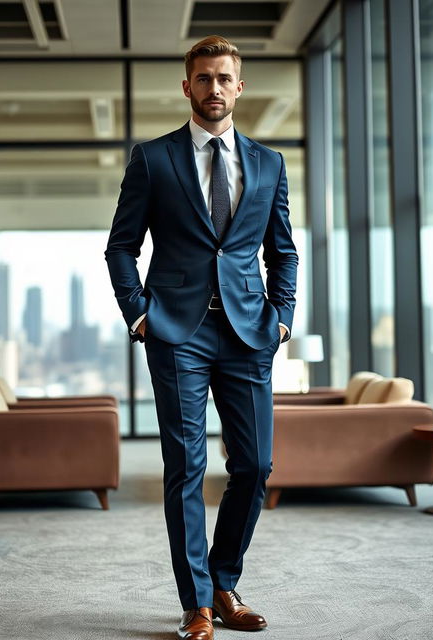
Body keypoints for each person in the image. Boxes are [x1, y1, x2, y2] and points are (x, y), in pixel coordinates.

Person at [105, 35, 298, 640]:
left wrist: (282, 317)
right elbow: (121, 246)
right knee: (185, 466)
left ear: (240, 87)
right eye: (204, 78)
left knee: (256, 466)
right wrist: (139, 313)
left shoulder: (269, 163)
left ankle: (223, 580)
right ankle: (197, 605)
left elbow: (283, 250)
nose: (214, 88)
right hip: (177, 333)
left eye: (225, 79)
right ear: (187, 86)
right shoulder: (153, 158)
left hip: (246, 333)